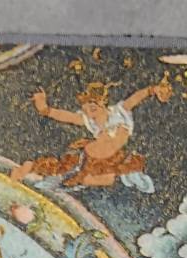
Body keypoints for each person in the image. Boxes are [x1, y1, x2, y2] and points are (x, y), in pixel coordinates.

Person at [12, 76, 173, 193]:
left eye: (93, 107)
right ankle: (30, 167)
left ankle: (59, 182)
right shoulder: (88, 120)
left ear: (102, 103)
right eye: (86, 109)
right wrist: (45, 109)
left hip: (111, 159)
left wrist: (154, 89)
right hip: (91, 156)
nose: (89, 112)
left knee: (102, 179)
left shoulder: (120, 111)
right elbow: (67, 116)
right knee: (65, 167)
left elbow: (136, 98)